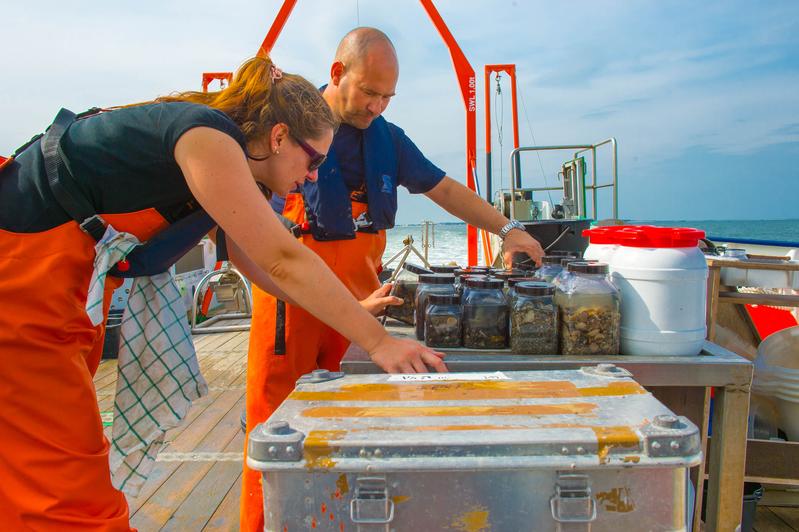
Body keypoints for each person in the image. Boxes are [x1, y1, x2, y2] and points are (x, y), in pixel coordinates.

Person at [0, 56, 442, 531]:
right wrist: (379, 344)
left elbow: (258, 266)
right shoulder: (207, 138)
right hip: (24, 277)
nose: (314, 177)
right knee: (67, 497)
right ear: (278, 137)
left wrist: (351, 313)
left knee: (23, 463)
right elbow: (283, 260)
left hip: (64, 281)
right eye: (313, 160)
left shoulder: (224, 160)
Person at [241, 27, 545, 531]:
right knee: (275, 434)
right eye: (368, 92)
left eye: (387, 96)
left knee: (349, 430)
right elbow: (251, 230)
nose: (376, 106)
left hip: (359, 313)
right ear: (337, 73)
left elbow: (444, 189)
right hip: (290, 310)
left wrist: (508, 228)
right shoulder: (287, 131)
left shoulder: (389, 140)